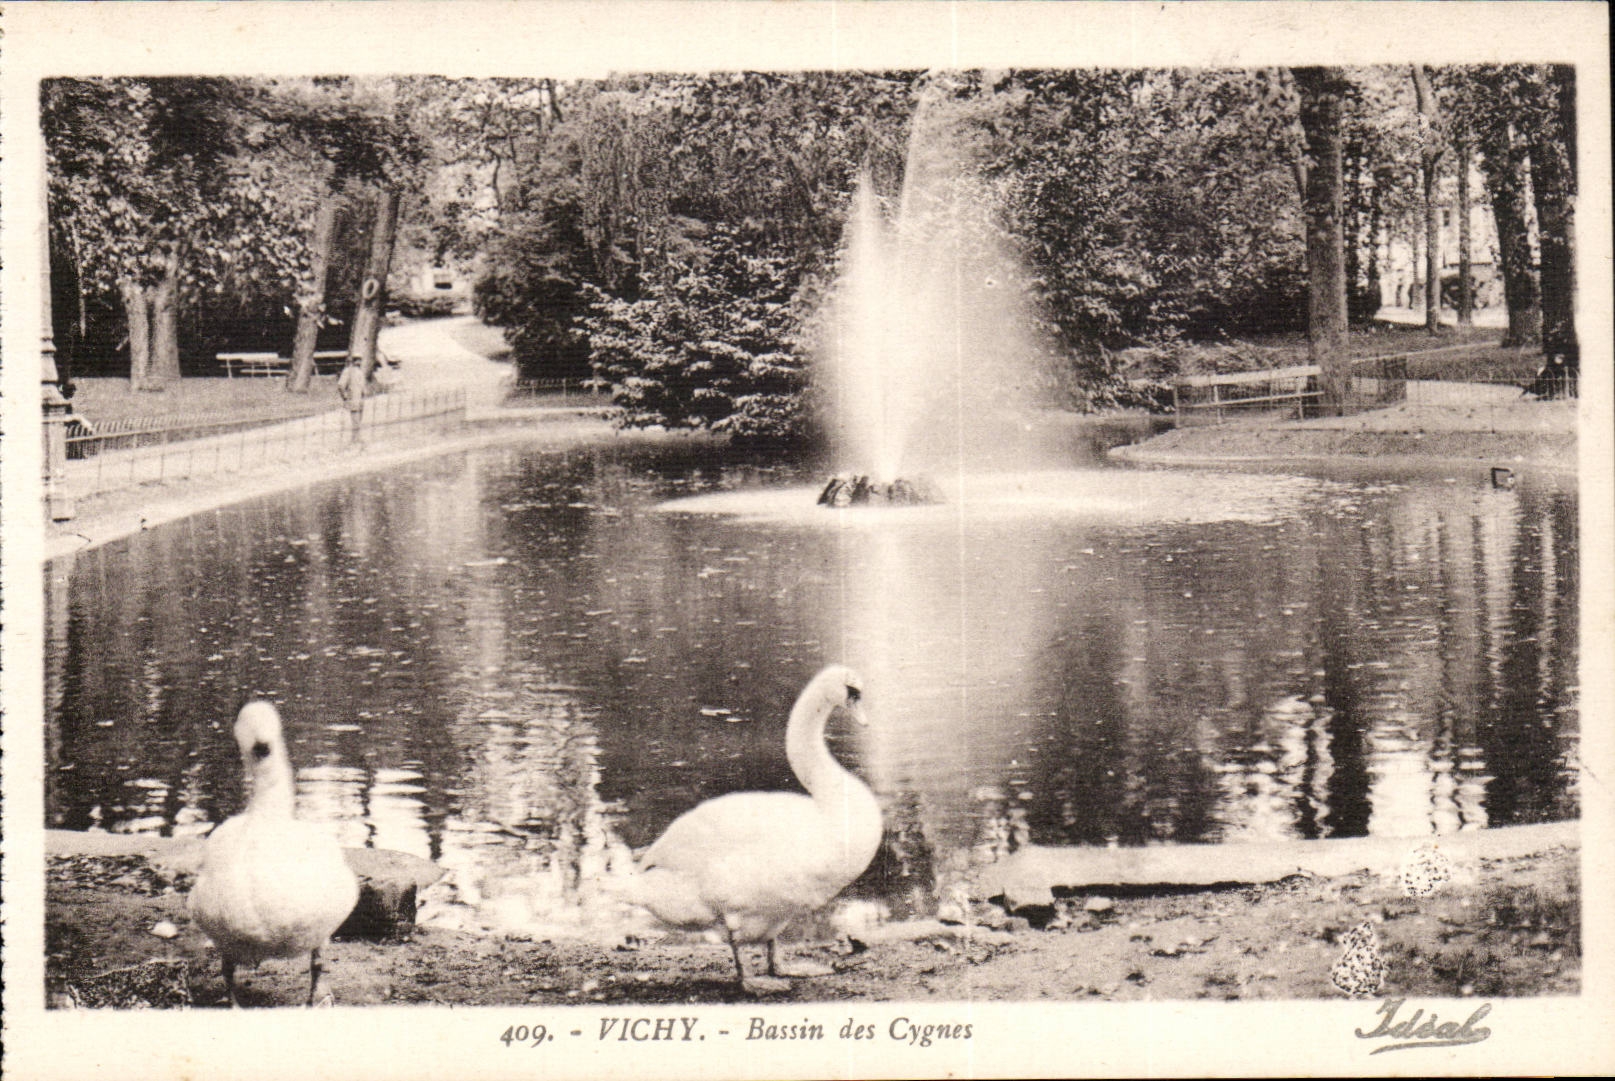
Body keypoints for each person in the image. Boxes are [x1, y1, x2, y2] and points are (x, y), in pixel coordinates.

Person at [337, 357, 367, 443]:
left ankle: (356, 438)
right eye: (356, 360)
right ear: (352, 361)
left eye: (360, 360)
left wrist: (364, 393)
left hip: (360, 399)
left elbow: (362, 386)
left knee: (359, 420)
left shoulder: (360, 371)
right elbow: (341, 385)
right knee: (355, 420)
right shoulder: (348, 371)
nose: (358, 362)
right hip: (353, 398)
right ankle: (355, 439)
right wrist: (345, 396)